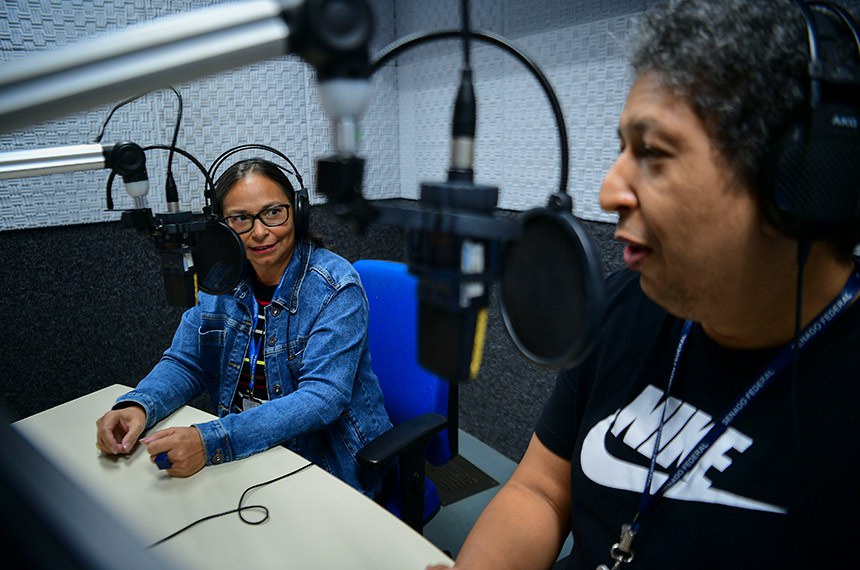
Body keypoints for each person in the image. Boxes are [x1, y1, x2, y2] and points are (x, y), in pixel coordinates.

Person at [429, 0, 860, 568]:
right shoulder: (625, 303)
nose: (609, 191)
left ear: (800, 178)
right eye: (621, 148)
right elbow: (540, 489)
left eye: (652, 152)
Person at [96, 157, 392, 498]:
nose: (261, 231)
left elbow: (322, 397)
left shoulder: (335, 287)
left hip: (324, 462)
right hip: (248, 448)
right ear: (221, 226)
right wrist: (138, 405)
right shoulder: (219, 280)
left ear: (297, 211)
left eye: (274, 212)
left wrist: (212, 441)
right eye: (241, 218)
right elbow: (186, 361)